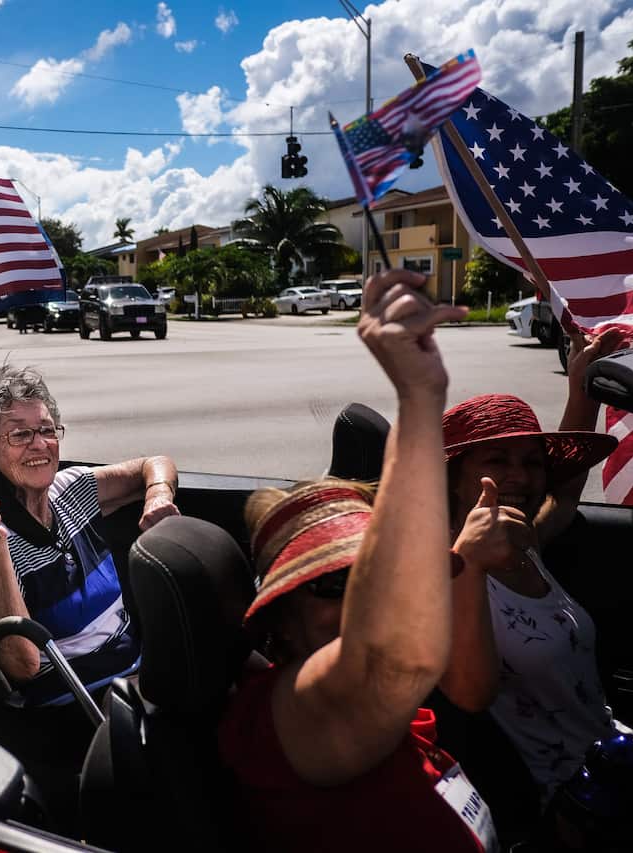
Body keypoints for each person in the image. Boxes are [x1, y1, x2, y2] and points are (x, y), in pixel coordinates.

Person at [218, 269, 498, 852]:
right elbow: (389, 658)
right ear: (280, 625)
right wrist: (419, 396)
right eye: (332, 584)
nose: (363, 598)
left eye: (367, 575)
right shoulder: (287, 713)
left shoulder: (392, 716)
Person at [443, 328, 633, 806]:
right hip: (567, 801)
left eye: (532, 463)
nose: (520, 476)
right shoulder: (441, 571)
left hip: (617, 757)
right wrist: (467, 565)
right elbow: (470, 697)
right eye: (497, 460)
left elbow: (566, 492)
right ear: (451, 478)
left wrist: (582, 388)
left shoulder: (524, 539)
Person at [0, 364, 180, 708]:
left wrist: (159, 496)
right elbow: (22, 665)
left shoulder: (71, 488)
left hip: (137, 667)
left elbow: (155, 463)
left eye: (46, 430)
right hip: (79, 700)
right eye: (19, 435)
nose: (39, 445)